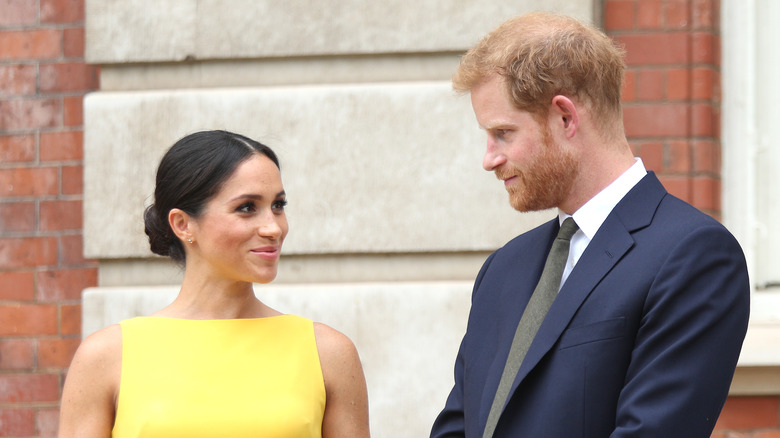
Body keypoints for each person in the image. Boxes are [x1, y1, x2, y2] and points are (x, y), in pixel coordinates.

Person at [430, 12, 749, 438]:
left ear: (565, 117)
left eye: (503, 133)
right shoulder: (503, 270)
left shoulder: (693, 257)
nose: (489, 158)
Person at [59, 130, 370, 438]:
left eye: (278, 205)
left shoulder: (328, 353)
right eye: (247, 207)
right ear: (182, 224)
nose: (274, 227)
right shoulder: (106, 357)